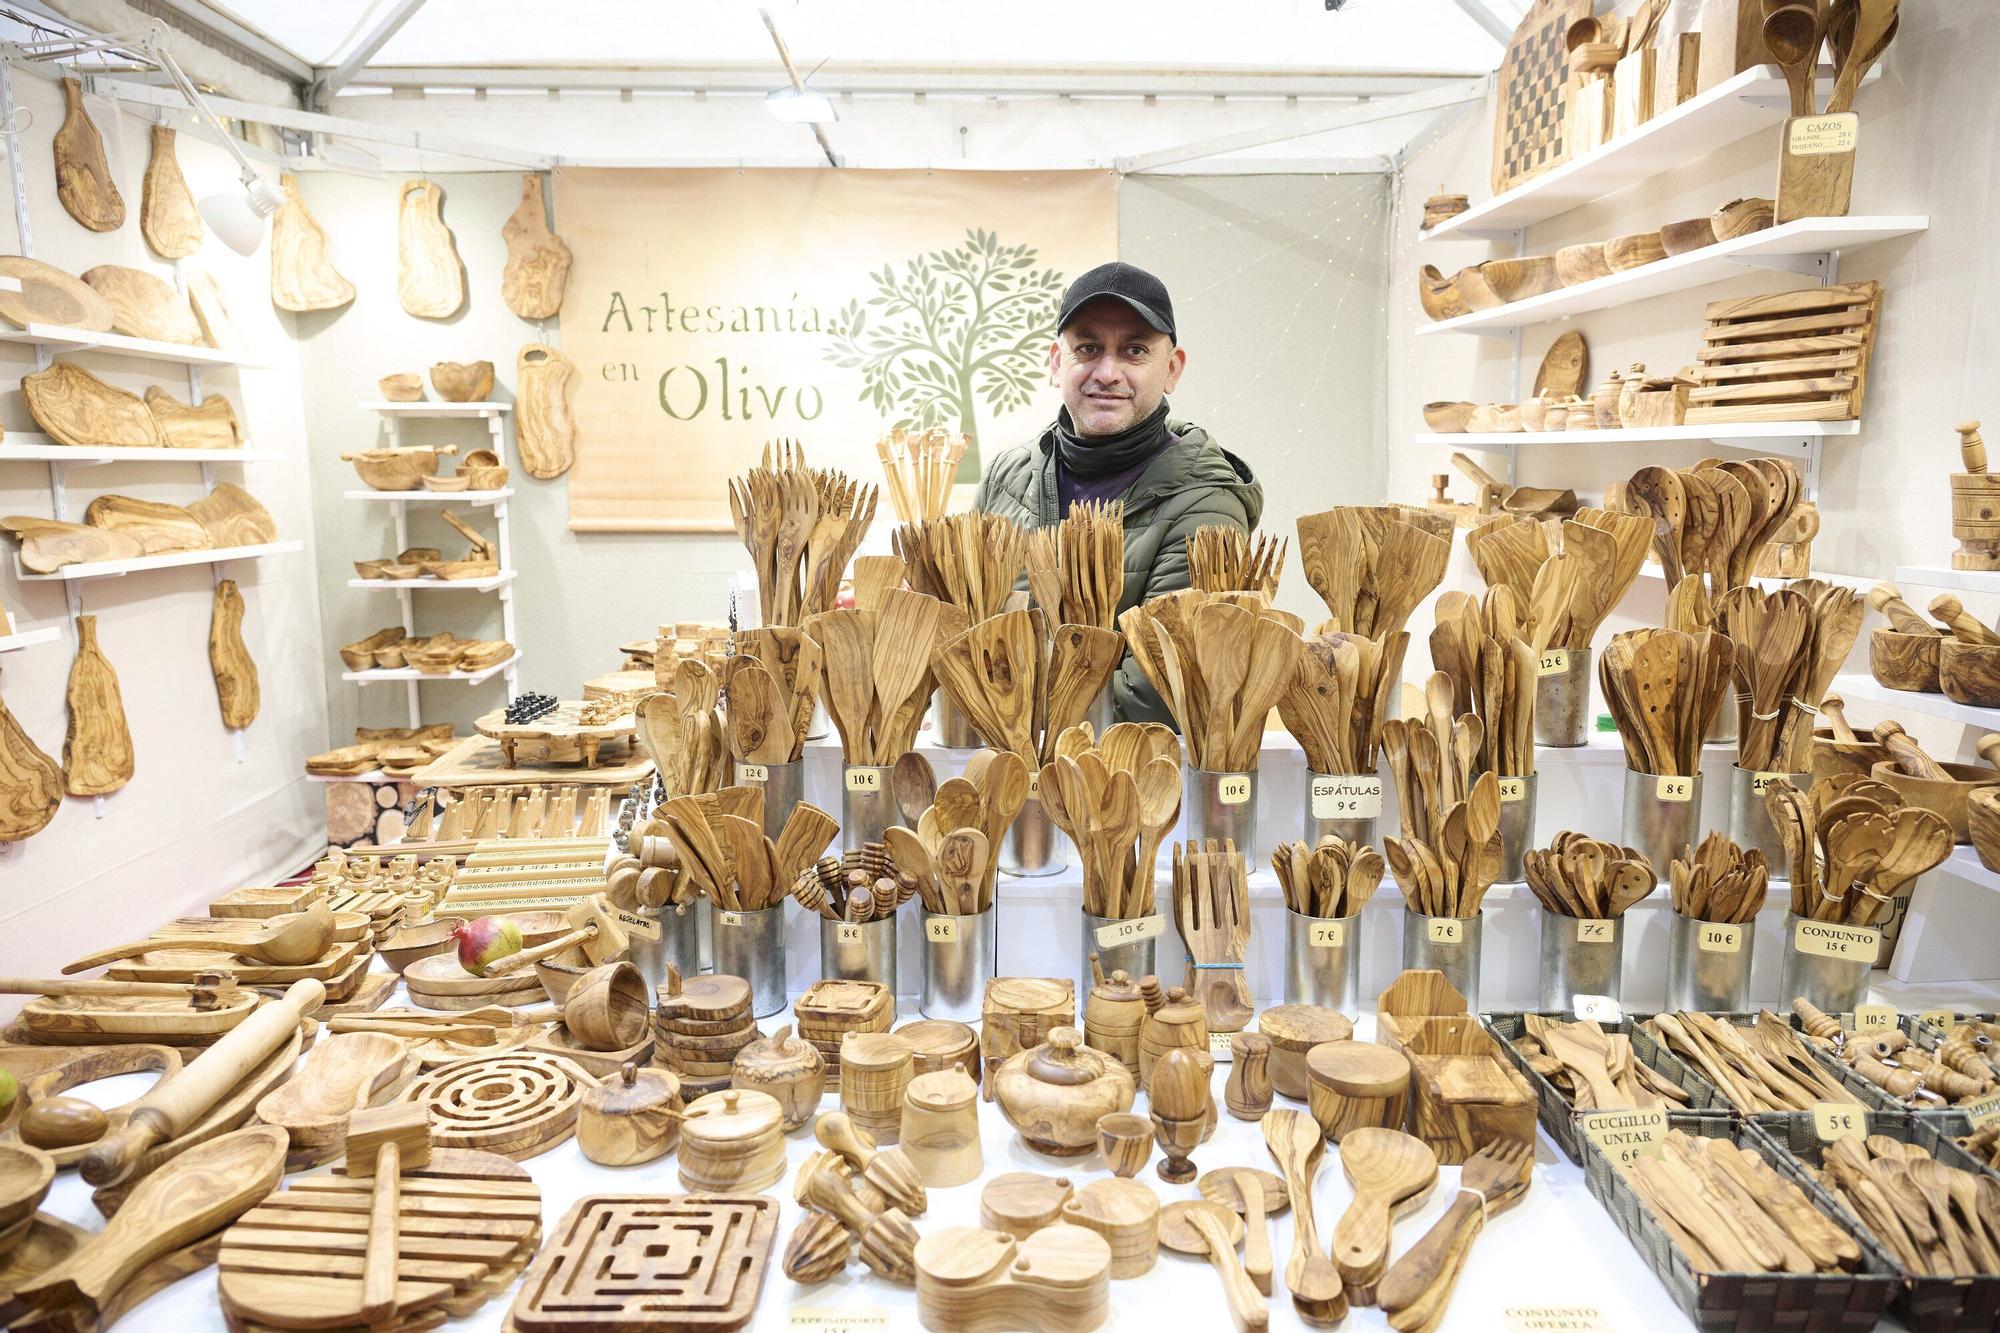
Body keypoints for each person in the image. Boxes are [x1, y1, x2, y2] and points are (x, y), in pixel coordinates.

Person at [972, 260, 1263, 724]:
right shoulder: (1006, 478)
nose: (1107, 372)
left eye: (1134, 351)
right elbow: (964, 634)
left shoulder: (1206, 503)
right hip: (1000, 764)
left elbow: (1159, 695)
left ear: (1171, 369)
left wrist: (998, 702)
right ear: (1057, 363)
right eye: (1087, 348)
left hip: (1129, 767)